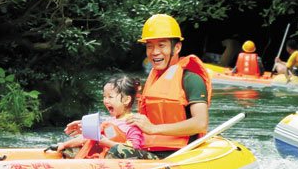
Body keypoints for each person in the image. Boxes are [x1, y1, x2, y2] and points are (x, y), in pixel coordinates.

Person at [107, 14, 212, 159]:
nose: (155, 52)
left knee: (117, 151)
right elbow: (130, 118)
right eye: (150, 46)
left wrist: (153, 129)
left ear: (177, 48)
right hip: (150, 149)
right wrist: (97, 128)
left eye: (162, 45)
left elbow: (200, 123)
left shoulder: (191, 80)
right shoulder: (153, 79)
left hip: (178, 153)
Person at [58, 74, 145, 158]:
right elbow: (88, 138)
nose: (106, 101)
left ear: (126, 100)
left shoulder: (133, 124)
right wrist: (65, 144)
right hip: (102, 158)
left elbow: (133, 151)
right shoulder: (108, 122)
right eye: (104, 96)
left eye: (110, 97)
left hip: (118, 162)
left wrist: (105, 142)